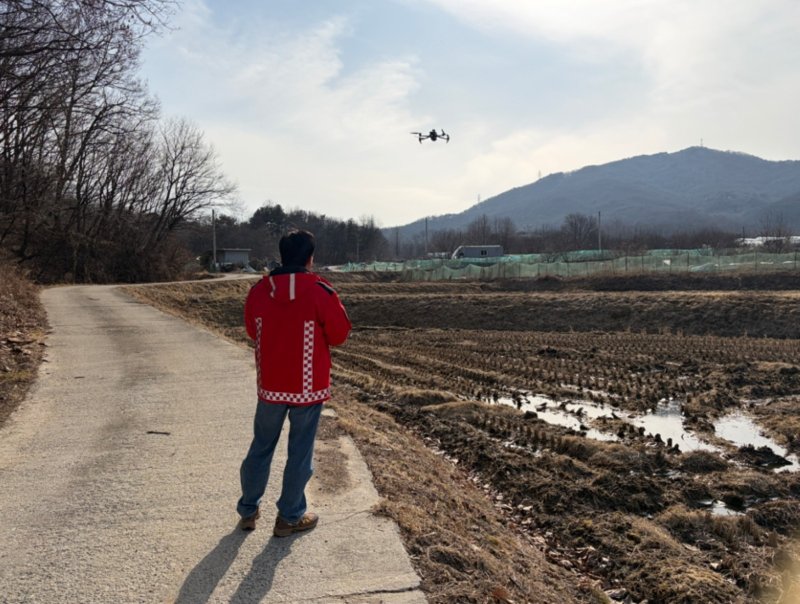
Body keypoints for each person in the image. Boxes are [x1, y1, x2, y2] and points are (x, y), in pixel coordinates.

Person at [237, 229, 351, 536]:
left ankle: (248, 510)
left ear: (282, 255)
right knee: (300, 451)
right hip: (308, 386)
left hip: (270, 386)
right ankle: (289, 517)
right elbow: (339, 334)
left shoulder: (259, 291)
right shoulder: (320, 291)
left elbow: (251, 330)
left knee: (261, 447)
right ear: (310, 259)